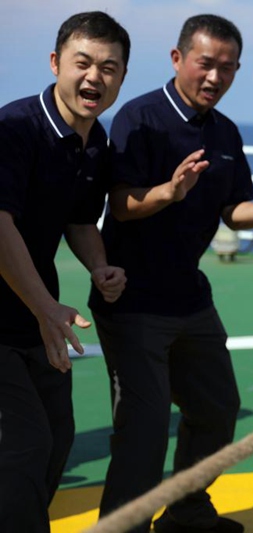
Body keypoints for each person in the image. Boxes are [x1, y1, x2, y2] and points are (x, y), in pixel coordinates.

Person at [89, 15, 253, 533]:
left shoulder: (226, 133)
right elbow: (120, 205)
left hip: (190, 298)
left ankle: (187, 511)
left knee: (217, 409)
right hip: (134, 301)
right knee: (143, 431)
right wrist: (169, 192)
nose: (215, 77)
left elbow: (231, 210)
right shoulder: (139, 118)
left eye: (228, 68)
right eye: (205, 64)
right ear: (178, 58)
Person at [0, 12, 129, 532]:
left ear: (121, 78)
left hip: (36, 318)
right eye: (83, 63)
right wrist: (46, 308)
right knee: (24, 446)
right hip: (21, 315)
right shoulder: (15, 128)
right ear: (56, 64)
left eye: (109, 67)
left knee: (56, 439)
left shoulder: (95, 142)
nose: (94, 77)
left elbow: (79, 217)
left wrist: (100, 267)